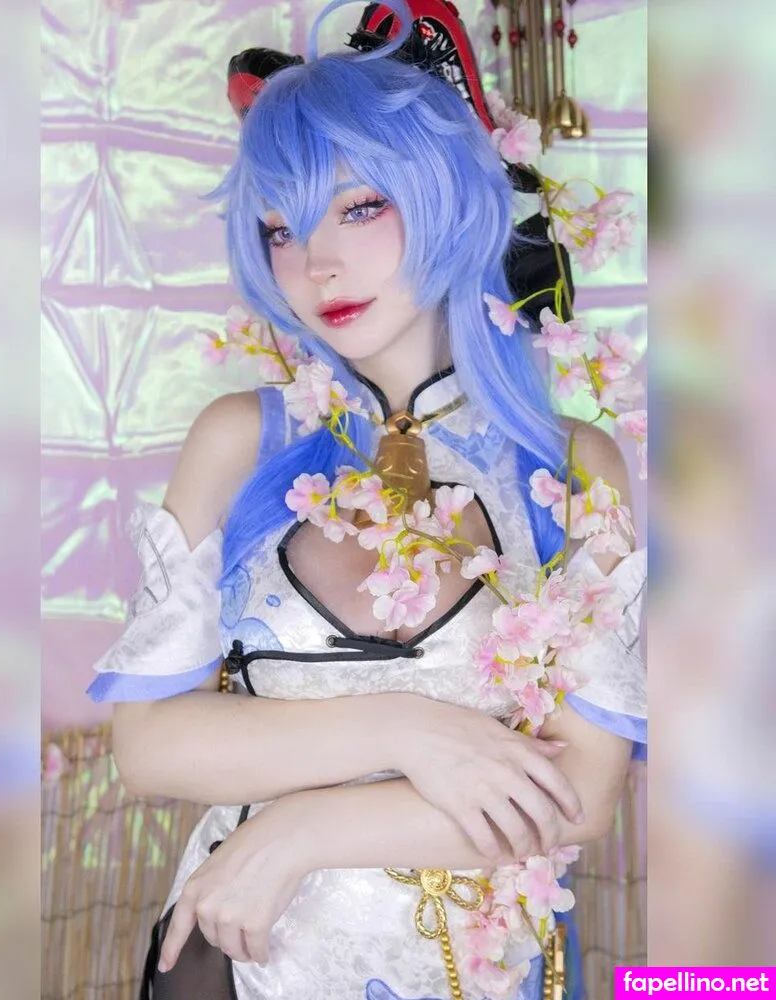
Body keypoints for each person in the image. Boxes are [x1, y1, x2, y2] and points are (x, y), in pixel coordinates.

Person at [87, 2, 646, 997]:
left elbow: (582, 793)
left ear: (450, 195)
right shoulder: (241, 440)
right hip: (238, 961)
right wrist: (404, 729)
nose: (317, 266)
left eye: (357, 208)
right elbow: (149, 743)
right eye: (281, 229)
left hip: (468, 970)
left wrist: (301, 831)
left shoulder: (569, 469)